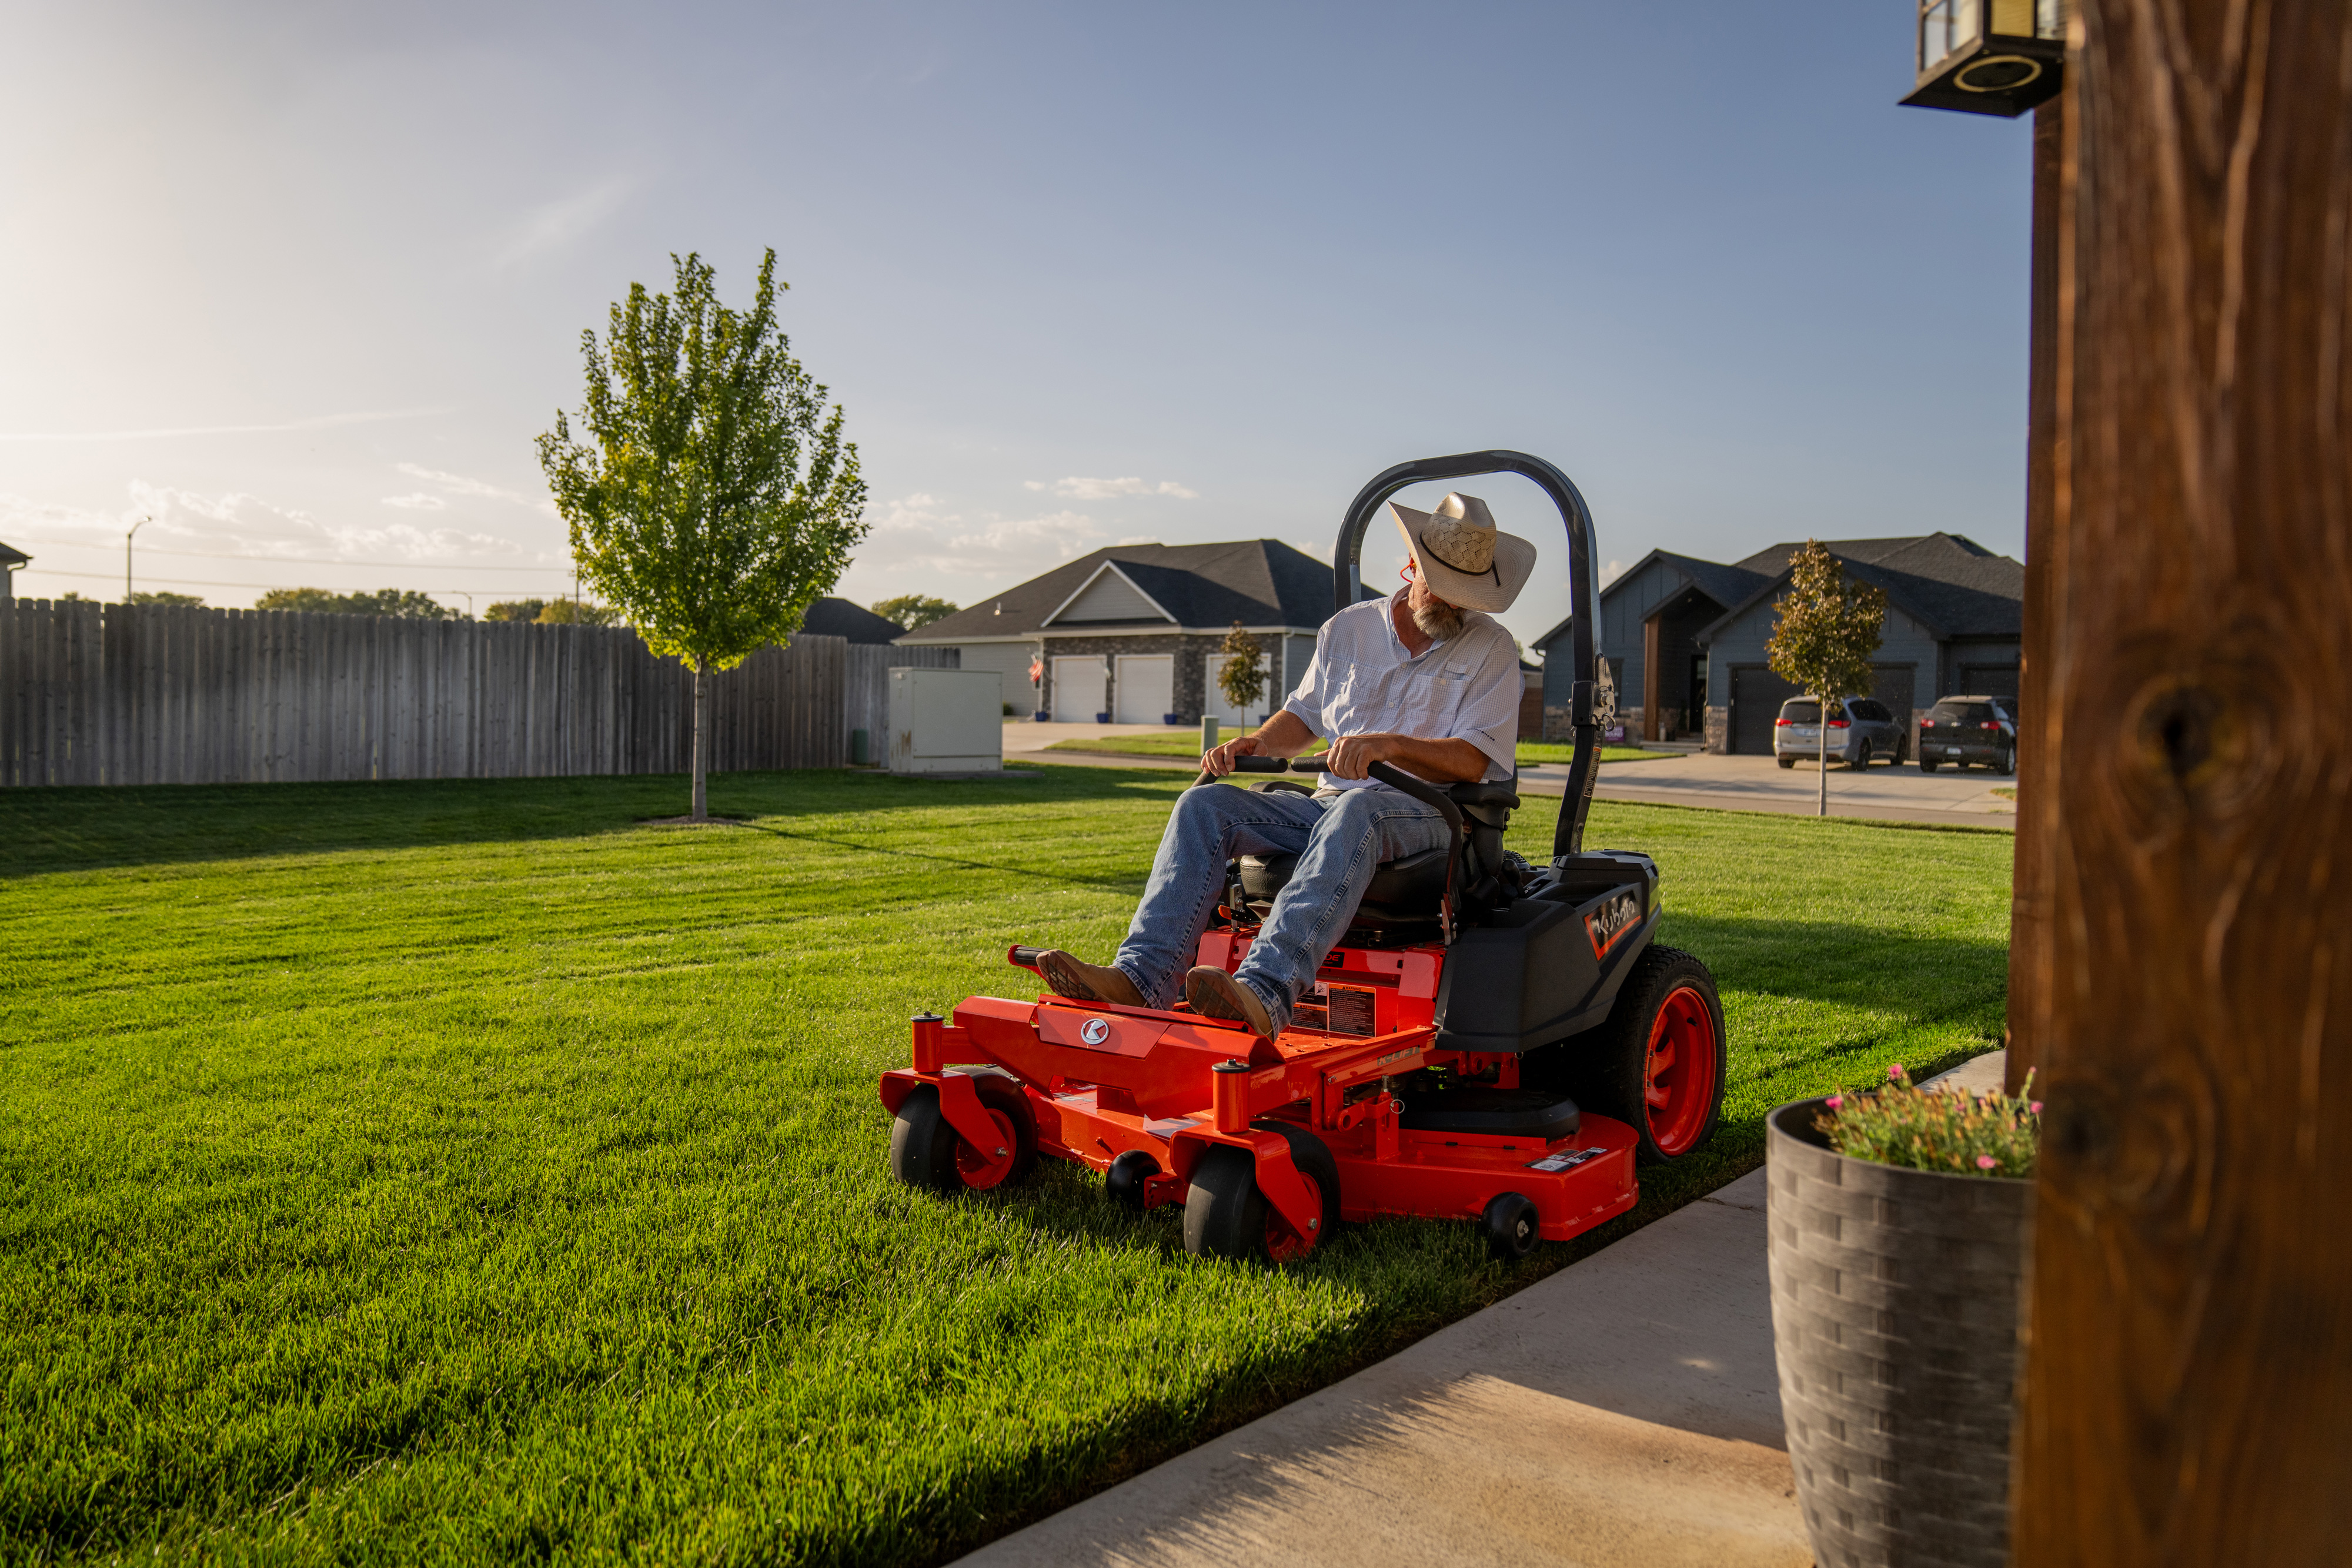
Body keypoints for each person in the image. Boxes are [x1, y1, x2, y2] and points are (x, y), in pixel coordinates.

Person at [1034, 491, 1536, 1035]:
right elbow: (1304, 715)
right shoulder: (1348, 630)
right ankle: (1141, 978)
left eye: (1465, 595)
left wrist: (1389, 745)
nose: (1455, 606)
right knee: (1204, 806)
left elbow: (1473, 758)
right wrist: (1258, 742)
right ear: (1411, 566)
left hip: (1430, 814)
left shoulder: (1492, 650)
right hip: (1330, 806)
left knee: (1359, 812)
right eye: (1443, 589)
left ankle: (1264, 991)